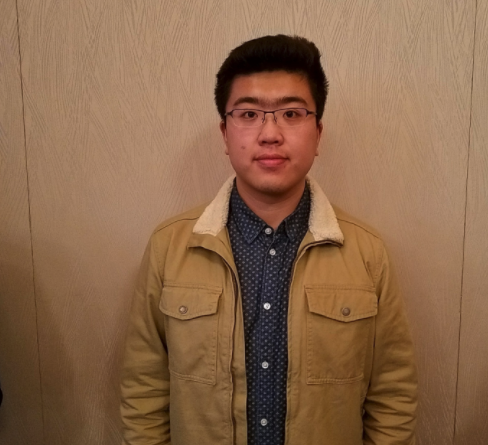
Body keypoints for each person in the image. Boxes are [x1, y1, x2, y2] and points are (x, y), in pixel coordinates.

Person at [120, 35, 418, 445]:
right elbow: (144, 389)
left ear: (318, 133)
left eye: (291, 113)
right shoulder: (169, 248)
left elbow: (392, 394)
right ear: (225, 134)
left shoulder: (367, 253)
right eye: (249, 114)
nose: (270, 133)